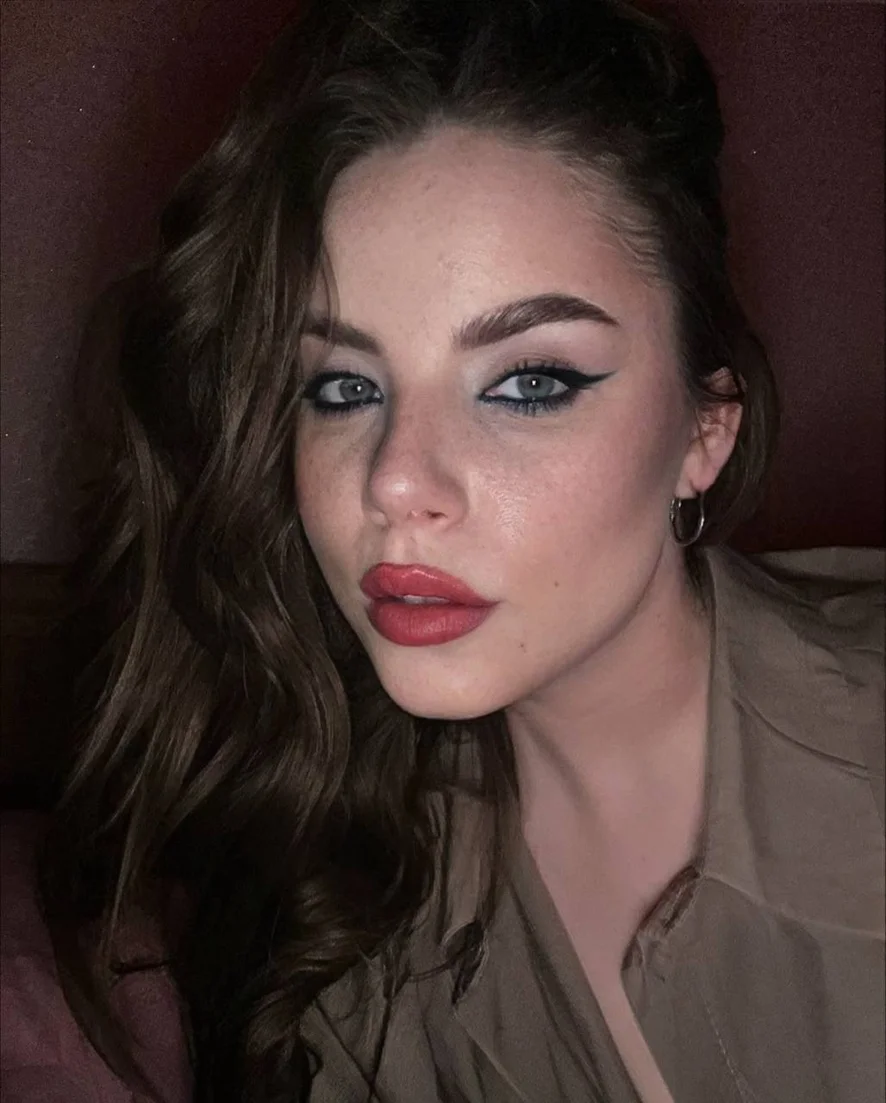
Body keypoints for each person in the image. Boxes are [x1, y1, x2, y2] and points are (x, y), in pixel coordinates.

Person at [1, 0, 882, 1101]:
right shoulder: (364, 945)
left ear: (704, 430)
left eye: (529, 382)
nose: (394, 480)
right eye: (343, 387)